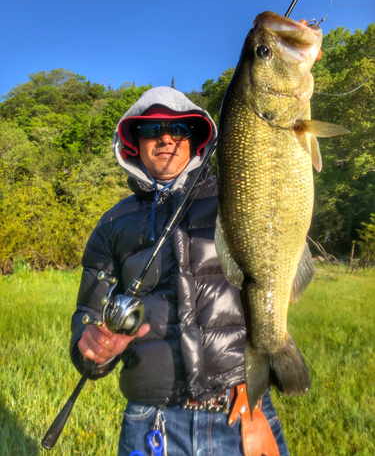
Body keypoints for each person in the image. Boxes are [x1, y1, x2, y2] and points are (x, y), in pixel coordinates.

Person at [70, 87, 290, 456]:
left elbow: (280, 156)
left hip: (242, 412)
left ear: (197, 138)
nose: (167, 138)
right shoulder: (112, 225)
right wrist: (90, 346)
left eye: (180, 128)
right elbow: (88, 313)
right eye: (153, 129)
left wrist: (294, 62)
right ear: (134, 141)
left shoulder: (238, 194)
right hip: (150, 422)